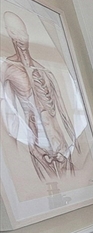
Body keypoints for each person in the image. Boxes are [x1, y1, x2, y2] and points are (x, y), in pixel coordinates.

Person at [0, 11, 77, 180]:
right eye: (13, 32)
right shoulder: (7, 67)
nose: (19, 38)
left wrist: (69, 146)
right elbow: (9, 117)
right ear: (7, 32)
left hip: (61, 144)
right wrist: (25, 150)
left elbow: (63, 111)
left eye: (22, 33)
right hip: (36, 146)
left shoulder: (43, 69)